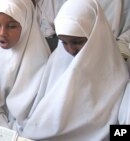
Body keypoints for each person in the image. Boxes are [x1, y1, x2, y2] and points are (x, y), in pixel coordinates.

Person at [20, 0, 129, 140]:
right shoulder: (57, 60)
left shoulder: (118, 76)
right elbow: (41, 111)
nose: (70, 50)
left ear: (95, 35)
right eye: (64, 42)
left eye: (77, 42)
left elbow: (122, 131)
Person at [0, 0, 51, 130]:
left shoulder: (39, 59)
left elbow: (32, 113)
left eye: (11, 26)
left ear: (26, 24)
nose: (2, 33)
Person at [35, 0, 130, 57]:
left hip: (112, 47)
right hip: (68, 34)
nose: (71, 49)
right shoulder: (57, 60)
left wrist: (120, 47)